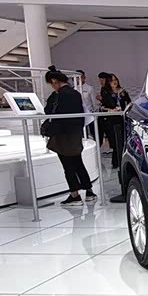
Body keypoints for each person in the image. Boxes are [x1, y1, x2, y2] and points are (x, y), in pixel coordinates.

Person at [41, 66, 97, 206]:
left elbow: (48, 111)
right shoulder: (76, 93)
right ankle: (89, 192)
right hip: (76, 133)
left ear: (54, 81)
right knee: (78, 163)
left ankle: (75, 195)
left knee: (68, 166)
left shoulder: (57, 95)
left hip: (62, 135)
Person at [100, 73, 131, 170]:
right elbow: (105, 105)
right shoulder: (106, 92)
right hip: (111, 120)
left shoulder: (122, 91)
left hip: (122, 118)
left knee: (122, 140)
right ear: (108, 82)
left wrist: (126, 109)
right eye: (112, 80)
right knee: (114, 142)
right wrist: (110, 109)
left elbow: (129, 102)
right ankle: (116, 162)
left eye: (115, 79)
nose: (114, 82)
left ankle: (121, 161)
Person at [76, 70, 96, 139]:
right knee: (82, 133)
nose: (79, 79)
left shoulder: (90, 88)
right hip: (79, 113)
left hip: (90, 112)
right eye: (77, 77)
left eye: (81, 77)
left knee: (93, 131)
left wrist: (94, 112)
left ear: (84, 77)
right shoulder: (74, 89)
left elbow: (94, 102)